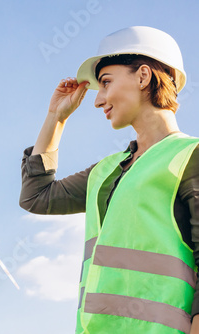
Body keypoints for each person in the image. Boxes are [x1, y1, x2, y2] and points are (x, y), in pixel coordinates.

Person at [19, 26, 199, 334]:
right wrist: (56, 117)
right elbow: (36, 197)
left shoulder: (190, 155)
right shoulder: (105, 171)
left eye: (105, 83)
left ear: (143, 76)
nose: (97, 100)